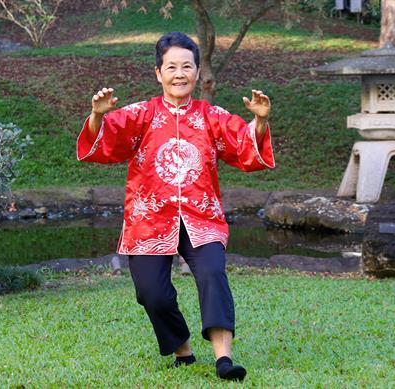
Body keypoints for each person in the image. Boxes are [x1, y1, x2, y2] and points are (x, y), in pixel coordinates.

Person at [76, 31, 275, 381]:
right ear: (158, 73)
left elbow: (244, 147)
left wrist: (259, 121)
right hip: (148, 218)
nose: (179, 73)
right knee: (151, 293)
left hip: (202, 216)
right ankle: (182, 349)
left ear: (197, 73)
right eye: (171, 67)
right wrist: (96, 116)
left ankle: (223, 360)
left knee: (212, 273)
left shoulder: (212, 116)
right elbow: (103, 140)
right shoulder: (140, 114)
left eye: (187, 66)